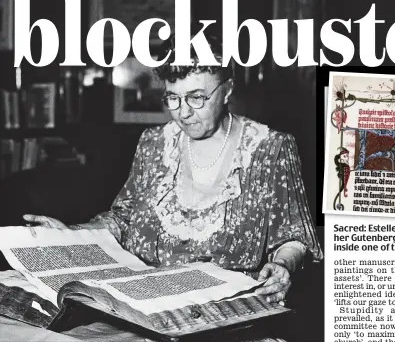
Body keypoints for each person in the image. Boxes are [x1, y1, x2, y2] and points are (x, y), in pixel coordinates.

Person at [22, 34, 322, 341]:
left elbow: (293, 235)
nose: (183, 112)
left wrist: (282, 265)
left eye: (196, 97)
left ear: (228, 89)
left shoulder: (270, 147)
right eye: (172, 98)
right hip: (145, 313)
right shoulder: (153, 144)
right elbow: (123, 219)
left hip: (230, 321)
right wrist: (71, 234)